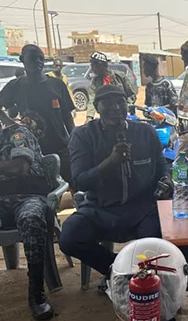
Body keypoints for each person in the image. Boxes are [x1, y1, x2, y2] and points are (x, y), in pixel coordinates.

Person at [59, 85, 172, 280]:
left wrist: (166, 181)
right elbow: (79, 181)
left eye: (120, 101)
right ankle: (116, 268)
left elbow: (162, 168)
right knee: (70, 237)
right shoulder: (83, 135)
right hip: (100, 208)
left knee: (157, 242)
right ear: (96, 106)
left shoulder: (146, 132)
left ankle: (142, 276)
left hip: (142, 209)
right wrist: (109, 163)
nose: (115, 107)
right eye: (108, 102)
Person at [0, 108, 58, 320]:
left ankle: (36, 294)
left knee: (31, 217)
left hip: (28, 196)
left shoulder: (16, 134)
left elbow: (20, 168)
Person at [0, 44, 75, 188]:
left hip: (60, 145)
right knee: (45, 188)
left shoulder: (57, 85)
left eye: (41, 59)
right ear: (23, 60)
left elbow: (67, 116)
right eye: (33, 58)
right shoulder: (15, 86)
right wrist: (13, 125)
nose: (38, 62)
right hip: (33, 149)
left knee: (73, 184)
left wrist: (73, 140)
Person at [85, 51, 136, 120]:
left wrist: (125, 107)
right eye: (92, 65)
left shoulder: (120, 77)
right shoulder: (96, 82)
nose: (93, 69)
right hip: (106, 116)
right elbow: (92, 99)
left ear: (103, 66)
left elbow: (132, 95)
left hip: (124, 115)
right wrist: (89, 116)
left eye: (94, 66)